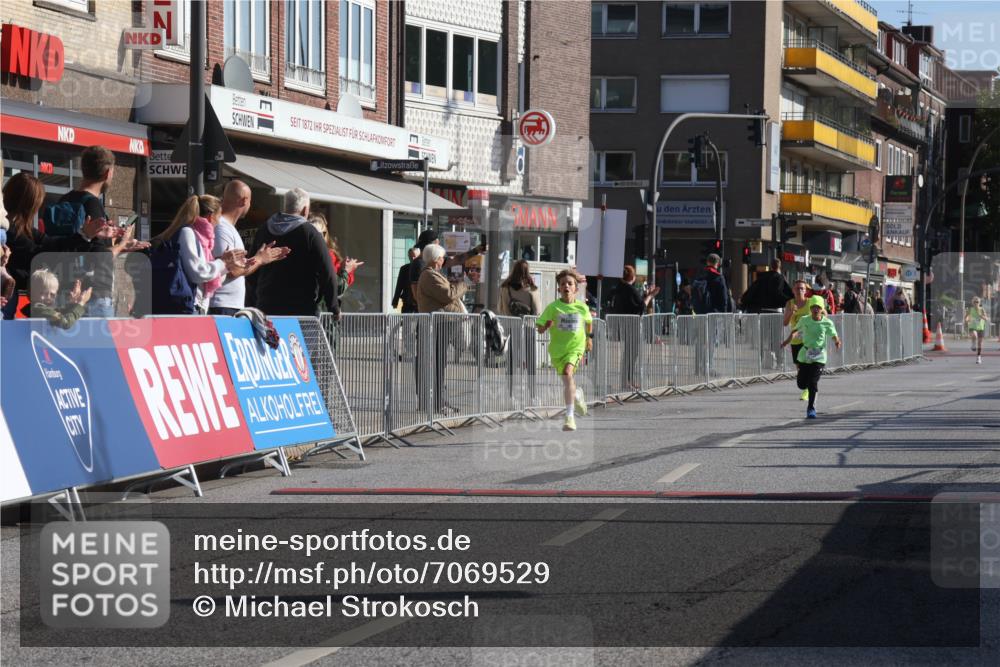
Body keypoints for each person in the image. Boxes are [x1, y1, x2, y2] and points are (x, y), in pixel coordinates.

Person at [2, 172, 112, 319]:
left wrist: (86, 236)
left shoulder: (20, 228)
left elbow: (50, 243)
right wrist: (84, 235)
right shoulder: (9, 230)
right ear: (30, 204)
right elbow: (40, 254)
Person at [57, 146, 148, 317]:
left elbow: (83, 245)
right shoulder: (93, 205)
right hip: (94, 294)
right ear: (107, 173)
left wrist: (123, 245)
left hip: (69, 289)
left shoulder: (66, 199)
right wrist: (122, 243)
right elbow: (101, 256)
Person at [248, 188, 340, 318]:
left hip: (267, 307)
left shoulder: (263, 230)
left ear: (285, 206)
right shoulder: (310, 233)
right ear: (305, 210)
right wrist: (334, 306)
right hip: (301, 310)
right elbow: (327, 272)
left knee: (271, 339)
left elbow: (252, 269)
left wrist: (255, 300)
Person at [152, 195, 251, 314]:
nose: (219, 222)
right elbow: (198, 273)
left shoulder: (203, 239)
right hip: (188, 305)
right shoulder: (188, 233)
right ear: (211, 217)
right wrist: (222, 262)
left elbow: (207, 275)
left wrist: (228, 265)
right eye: (219, 217)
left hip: (198, 306)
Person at [210, 180, 290, 316]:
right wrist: (259, 260)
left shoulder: (226, 227)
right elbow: (231, 270)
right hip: (222, 304)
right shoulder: (222, 228)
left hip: (228, 305)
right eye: (250, 201)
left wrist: (259, 258)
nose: (250, 205)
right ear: (244, 200)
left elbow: (233, 267)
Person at [536, 269, 593, 432]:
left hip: (575, 348)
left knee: (568, 374)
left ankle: (569, 418)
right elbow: (539, 328)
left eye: (570, 283)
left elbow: (589, 322)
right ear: (558, 289)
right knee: (568, 382)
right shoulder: (553, 307)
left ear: (575, 288)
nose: (566, 286)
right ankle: (577, 395)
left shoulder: (582, 307)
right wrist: (545, 326)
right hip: (557, 350)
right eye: (562, 284)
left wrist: (589, 338)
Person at [416, 243, 469, 413]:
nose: (443, 260)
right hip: (438, 324)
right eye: (441, 257)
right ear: (436, 259)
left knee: (441, 363)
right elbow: (448, 295)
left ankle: (440, 399)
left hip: (442, 323)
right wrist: (464, 283)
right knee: (438, 363)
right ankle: (436, 401)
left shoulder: (433, 274)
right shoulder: (429, 275)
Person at [781, 301, 841, 419]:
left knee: (813, 382)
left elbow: (833, 334)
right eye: (813, 307)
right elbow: (795, 331)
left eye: (818, 307)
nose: (815, 309)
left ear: (822, 309)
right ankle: (807, 387)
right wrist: (787, 341)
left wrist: (837, 341)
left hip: (819, 355)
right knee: (801, 384)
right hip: (805, 354)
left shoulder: (827, 323)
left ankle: (811, 409)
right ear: (810, 309)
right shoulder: (805, 320)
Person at [609, 265, 660, 390]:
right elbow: (641, 307)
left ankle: (627, 381)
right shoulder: (630, 289)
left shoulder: (618, 288)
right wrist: (650, 296)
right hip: (632, 325)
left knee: (629, 353)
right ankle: (626, 382)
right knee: (631, 354)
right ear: (632, 276)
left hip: (622, 325)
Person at [309, 212, 363, 309]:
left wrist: (344, 270)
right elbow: (335, 288)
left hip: (289, 314)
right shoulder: (325, 255)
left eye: (322, 234)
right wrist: (346, 271)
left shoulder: (296, 253)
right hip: (318, 316)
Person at [783, 280, 826, 401]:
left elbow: (824, 313)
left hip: (809, 340)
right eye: (797, 288)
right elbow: (785, 323)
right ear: (793, 290)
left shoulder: (810, 302)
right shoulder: (789, 303)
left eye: (802, 288)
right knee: (800, 367)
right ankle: (807, 386)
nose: (799, 290)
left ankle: (809, 389)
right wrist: (791, 312)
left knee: (810, 364)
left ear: (805, 290)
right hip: (796, 340)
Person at [22, 268, 91, 329]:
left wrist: (72, 304)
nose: (48, 297)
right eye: (43, 293)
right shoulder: (38, 309)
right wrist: (80, 304)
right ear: (32, 293)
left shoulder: (40, 309)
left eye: (52, 295)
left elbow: (58, 313)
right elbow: (65, 322)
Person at [392, 246, 421, 312]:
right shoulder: (404, 269)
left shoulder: (423, 268)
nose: (412, 259)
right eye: (410, 257)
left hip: (420, 302)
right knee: (406, 321)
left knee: (421, 321)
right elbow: (399, 285)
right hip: (407, 302)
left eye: (414, 256)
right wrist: (395, 301)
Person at [966, 296, 987, 364]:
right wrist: (967, 320)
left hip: (980, 328)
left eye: (977, 302)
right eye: (974, 302)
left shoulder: (982, 309)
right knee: (974, 335)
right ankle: (973, 344)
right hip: (972, 327)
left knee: (980, 344)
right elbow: (966, 317)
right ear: (972, 303)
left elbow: (986, 319)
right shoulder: (970, 309)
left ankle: (978, 357)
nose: (976, 303)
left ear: (979, 303)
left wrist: (981, 316)